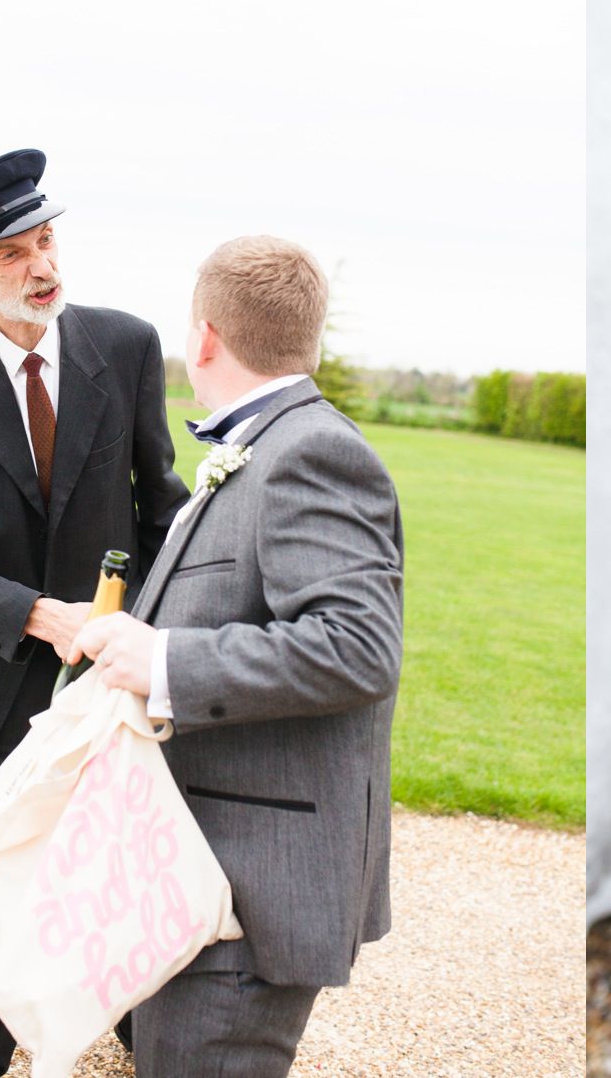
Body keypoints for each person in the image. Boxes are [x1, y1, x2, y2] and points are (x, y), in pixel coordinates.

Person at [0, 148, 190, 1078]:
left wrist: (155, 637)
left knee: (127, 871)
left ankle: (145, 1043)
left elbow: (162, 508)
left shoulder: (127, 347)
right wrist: (43, 617)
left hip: (116, 678)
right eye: (12, 253)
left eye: (46, 240)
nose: (42, 265)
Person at [71, 234, 403, 1078]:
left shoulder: (312, 452)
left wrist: (165, 661)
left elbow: (358, 646)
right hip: (196, 871)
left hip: (253, 889)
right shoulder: (264, 442)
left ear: (205, 336)